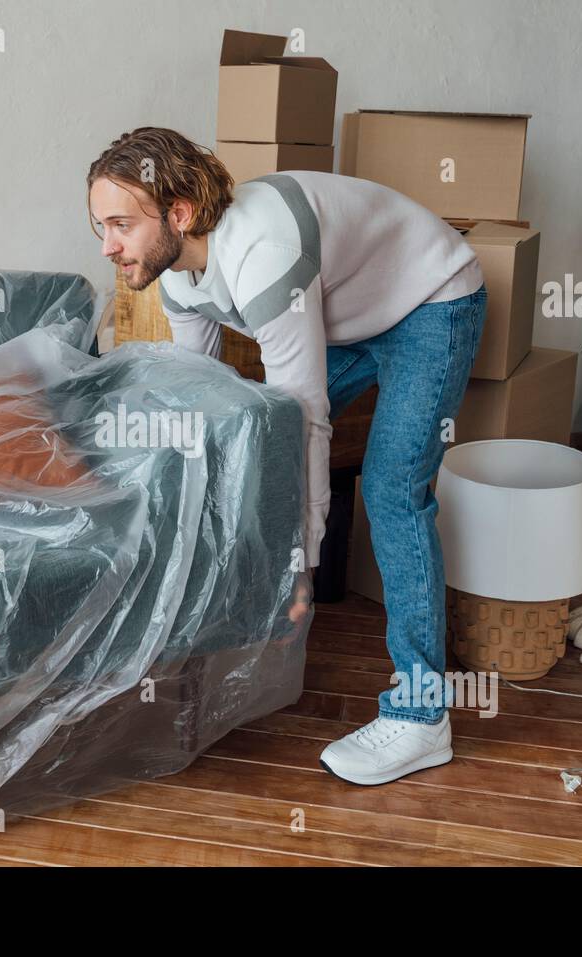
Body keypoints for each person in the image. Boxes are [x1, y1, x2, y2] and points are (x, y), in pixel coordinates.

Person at [86, 127, 487, 786]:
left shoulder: (263, 255)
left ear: (179, 213)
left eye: (122, 224)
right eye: (101, 225)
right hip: (352, 310)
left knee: (391, 490)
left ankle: (422, 717)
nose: (108, 245)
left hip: (430, 300)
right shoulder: (178, 277)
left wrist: (298, 563)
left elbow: (305, 423)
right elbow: (203, 414)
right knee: (248, 426)